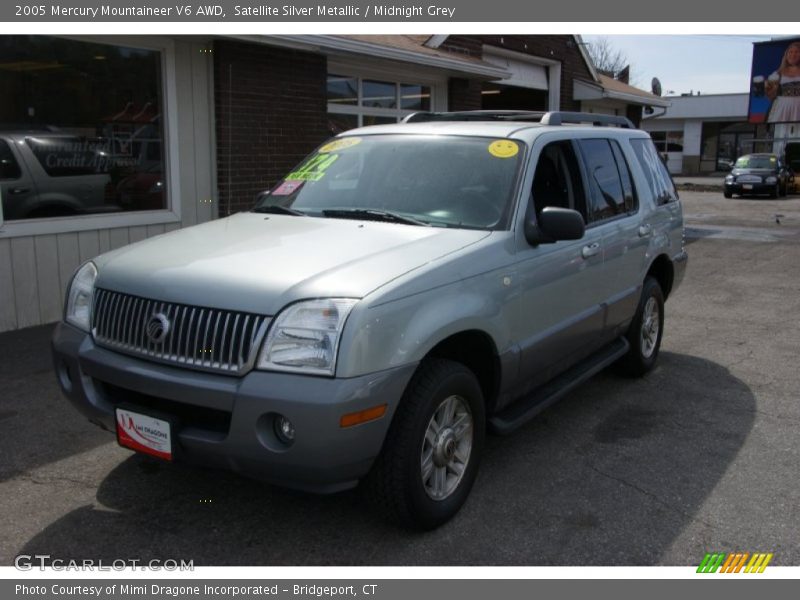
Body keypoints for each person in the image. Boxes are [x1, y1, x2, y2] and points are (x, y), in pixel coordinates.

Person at [767, 41, 800, 123]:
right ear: (786, 55)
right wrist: (769, 90)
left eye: (796, 52)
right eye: (790, 52)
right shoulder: (777, 74)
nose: (793, 55)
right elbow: (770, 96)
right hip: (782, 110)